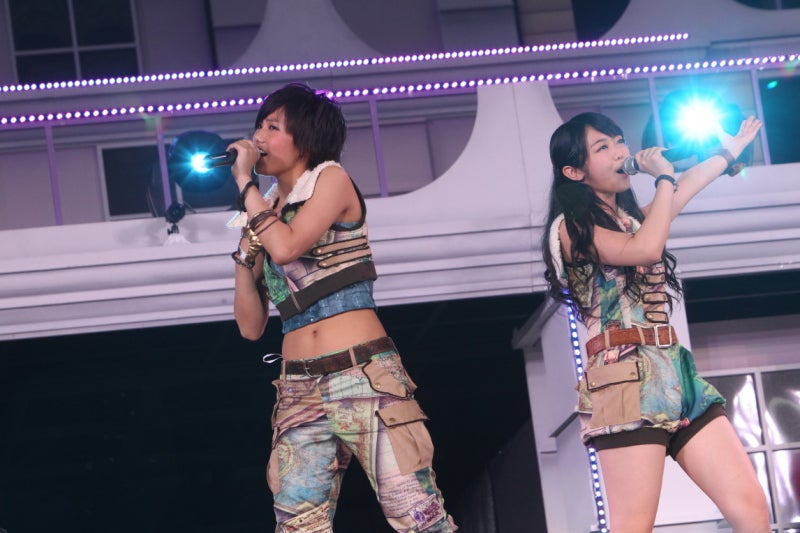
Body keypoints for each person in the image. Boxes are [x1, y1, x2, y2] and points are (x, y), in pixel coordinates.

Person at [226, 82, 457, 532]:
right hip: (298, 388)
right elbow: (250, 327)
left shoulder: (330, 179)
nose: (258, 137)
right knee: (299, 525)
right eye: (259, 126)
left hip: (362, 371)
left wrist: (245, 183)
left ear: (306, 139)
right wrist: (242, 255)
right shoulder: (262, 211)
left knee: (417, 515)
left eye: (272, 127)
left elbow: (288, 247)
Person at [541, 111, 770, 532]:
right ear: (574, 172)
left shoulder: (632, 220)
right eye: (603, 147)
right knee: (634, 525)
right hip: (623, 381)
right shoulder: (571, 229)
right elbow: (644, 249)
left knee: (752, 509)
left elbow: (685, 188)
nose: (620, 152)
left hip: (674, 372)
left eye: (619, 141)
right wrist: (663, 177)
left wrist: (728, 152)